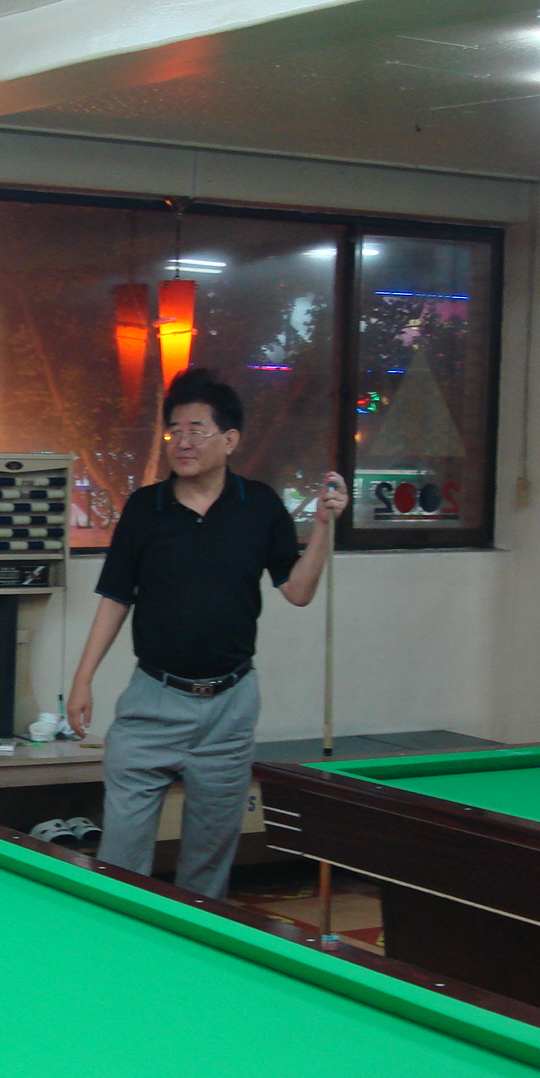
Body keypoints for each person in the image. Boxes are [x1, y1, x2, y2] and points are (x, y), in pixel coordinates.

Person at [65, 368, 345, 899]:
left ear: (230, 440)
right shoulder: (146, 509)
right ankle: (117, 937)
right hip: (152, 700)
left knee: (209, 863)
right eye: (175, 431)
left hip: (230, 707)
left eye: (197, 430)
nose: (183, 442)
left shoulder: (259, 506)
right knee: (121, 856)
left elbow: (299, 591)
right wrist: (83, 680)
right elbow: (116, 598)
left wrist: (324, 529)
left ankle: (195, 939)